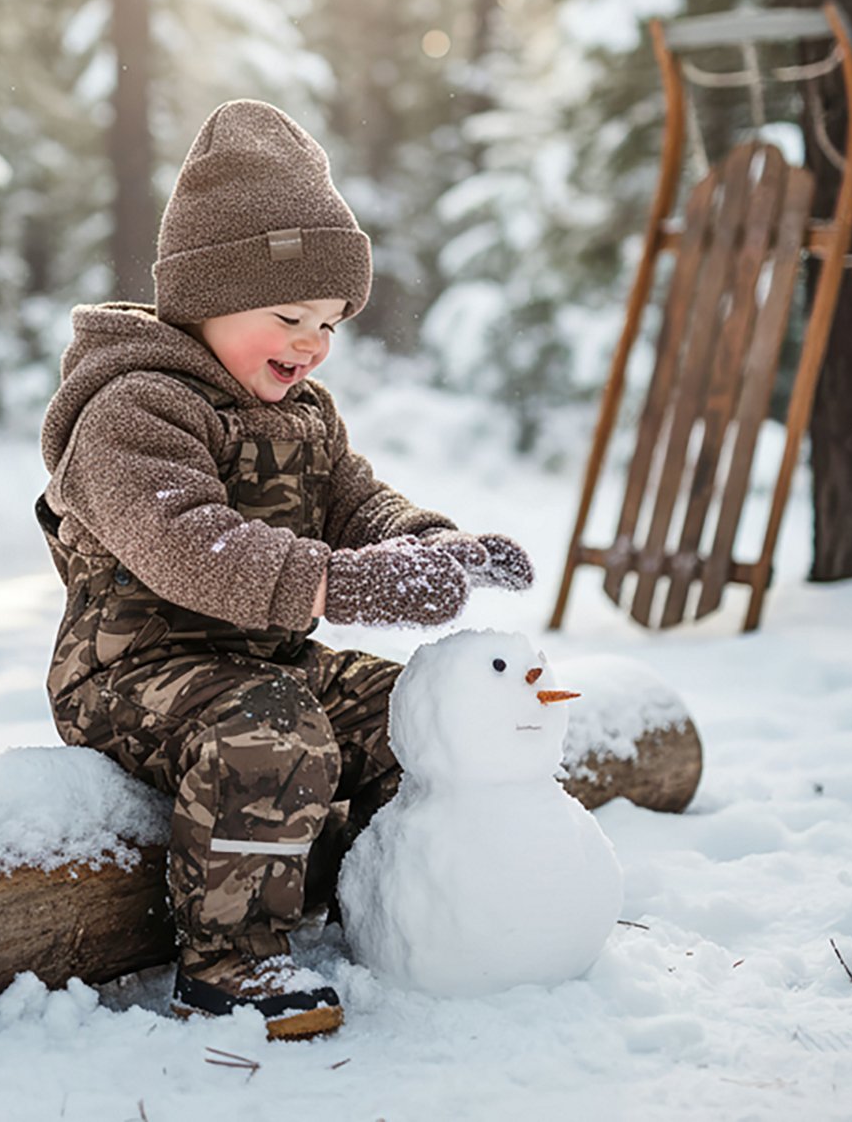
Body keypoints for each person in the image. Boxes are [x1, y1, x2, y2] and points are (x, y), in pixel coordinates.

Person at [37, 99, 533, 1039]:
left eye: (332, 322)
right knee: (271, 731)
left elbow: (355, 502)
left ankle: (397, 899)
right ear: (205, 299)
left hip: (265, 663)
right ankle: (230, 964)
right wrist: (341, 586)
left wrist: (430, 544)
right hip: (133, 672)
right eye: (290, 316)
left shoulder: (305, 416)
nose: (314, 343)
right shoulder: (132, 409)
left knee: (411, 715)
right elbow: (188, 543)